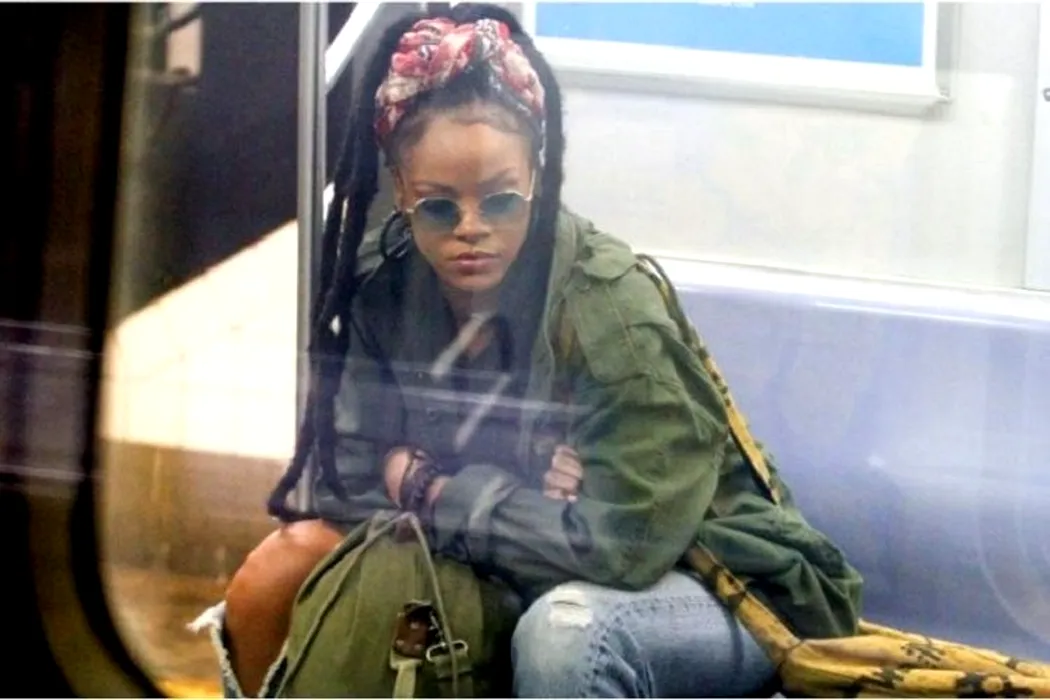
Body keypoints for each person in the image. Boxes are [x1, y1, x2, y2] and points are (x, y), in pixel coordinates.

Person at [216, 4, 864, 697]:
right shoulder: (384, 286)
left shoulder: (609, 309)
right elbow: (347, 480)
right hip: (526, 553)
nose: (471, 229)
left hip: (721, 585)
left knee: (567, 636)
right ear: (401, 190)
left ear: (537, 177)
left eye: (500, 201)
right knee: (278, 573)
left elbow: (623, 547)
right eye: (439, 206)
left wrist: (432, 485)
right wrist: (526, 486)